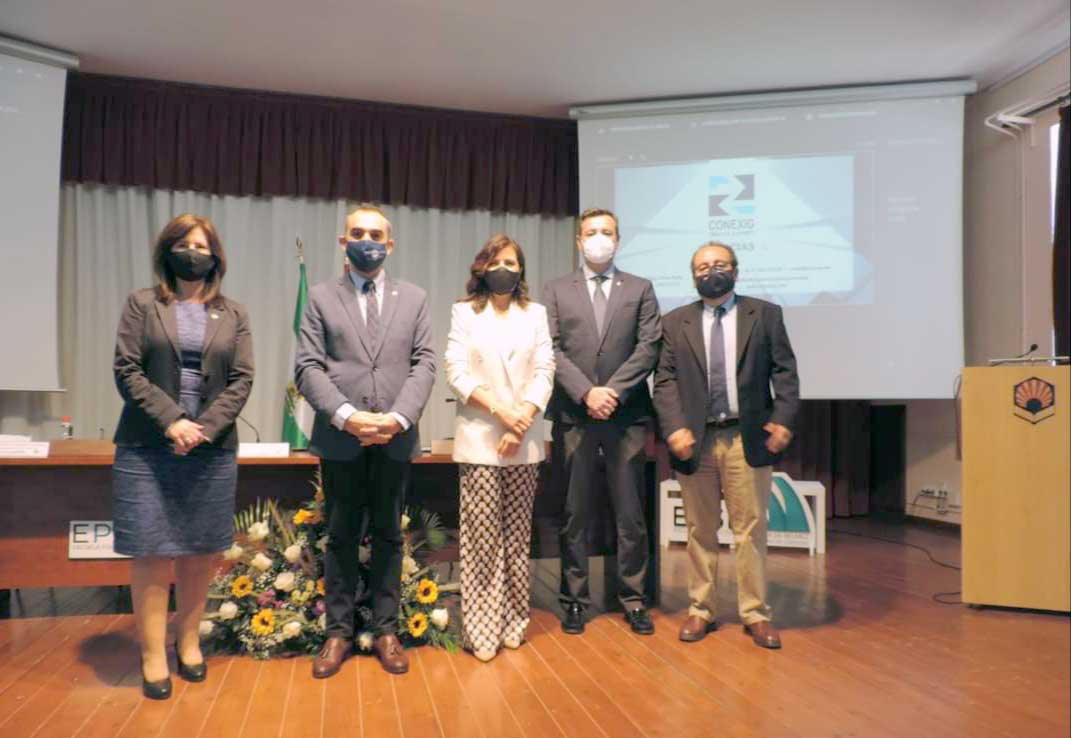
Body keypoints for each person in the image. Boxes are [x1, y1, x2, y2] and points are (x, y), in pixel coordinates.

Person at [112, 214, 254, 699]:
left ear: (216, 258)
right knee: (151, 552)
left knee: (200, 551)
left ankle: (188, 643)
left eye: (202, 246)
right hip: (148, 446)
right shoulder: (142, 304)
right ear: (167, 251)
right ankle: (153, 655)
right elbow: (127, 369)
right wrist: (172, 420)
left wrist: (203, 429)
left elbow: (242, 379)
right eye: (184, 244)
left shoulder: (234, 313)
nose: (193, 253)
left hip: (210, 449)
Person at [295, 204, 436, 677]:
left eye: (376, 234)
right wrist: (347, 416)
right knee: (340, 536)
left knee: (390, 536)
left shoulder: (414, 298)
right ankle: (337, 633)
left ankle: (386, 631)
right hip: (341, 438)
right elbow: (307, 366)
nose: (367, 241)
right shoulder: (320, 297)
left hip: (395, 437)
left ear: (390, 244)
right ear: (343, 241)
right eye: (358, 232)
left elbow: (425, 363)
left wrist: (397, 418)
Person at [652, 242, 800, 649]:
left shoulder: (765, 315)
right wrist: (673, 428)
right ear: (692, 276)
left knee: (749, 530)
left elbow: (785, 373)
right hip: (695, 441)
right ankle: (701, 609)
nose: (710, 272)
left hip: (745, 437)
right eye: (702, 267)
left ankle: (755, 613)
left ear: (735, 270)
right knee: (700, 530)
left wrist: (784, 419)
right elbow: (664, 382)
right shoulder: (674, 322)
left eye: (718, 264)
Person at [543, 207, 662, 635]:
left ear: (618, 239)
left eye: (606, 232)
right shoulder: (556, 289)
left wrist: (611, 392)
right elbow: (550, 348)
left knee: (630, 514)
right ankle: (574, 600)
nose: (598, 238)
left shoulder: (641, 288)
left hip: (626, 415)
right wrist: (586, 392)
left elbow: (649, 346)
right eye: (591, 232)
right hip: (574, 414)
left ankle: (634, 599)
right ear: (579, 241)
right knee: (575, 513)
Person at [445, 234, 555, 662]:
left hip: (523, 441)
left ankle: (513, 621)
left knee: (516, 537)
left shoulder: (535, 313)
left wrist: (521, 420)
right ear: (482, 268)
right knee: (482, 538)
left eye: (511, 262)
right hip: (481, 439)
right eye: (495, 262)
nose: (503, 269)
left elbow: (545, 370)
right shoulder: (464, 312)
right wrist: (502, 413)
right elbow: (456, 371)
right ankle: (481, 627)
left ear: (521, 269)